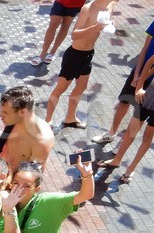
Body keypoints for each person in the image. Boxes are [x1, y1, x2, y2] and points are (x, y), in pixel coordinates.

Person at [44, 0, 118, 129]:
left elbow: (111, 12)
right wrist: (94, 28)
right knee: (60, 88)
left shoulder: (109, 6)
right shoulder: (87, 8)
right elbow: (74, 35)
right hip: (74, 54)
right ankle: (48, 121)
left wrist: (110, 24)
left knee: (81, 87)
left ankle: (70, 118)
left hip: (88, 54)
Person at [9, 159, 94, 233]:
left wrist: (87, 174)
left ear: (37, 189)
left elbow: (85, 195)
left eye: (27, 186)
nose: (19, 189)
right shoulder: (4, 201)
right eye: (16, 183)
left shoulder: (48, 203)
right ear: (10, 184)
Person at [90, 18, 154, 147]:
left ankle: (123, 143)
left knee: (139, 114)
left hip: (151, 82)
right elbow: (144, 49)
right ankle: (111, 133)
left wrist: (141, 79)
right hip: (139, 71)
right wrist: (136, 74)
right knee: (124, 101)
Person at [95, 52, 154, 184]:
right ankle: (117, 160)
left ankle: (130, 169)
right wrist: (139, 87)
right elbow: (149, 64)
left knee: (147, 137)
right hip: (148, 96)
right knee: (131, 131)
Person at [0, 86, 55, 171]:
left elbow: (33, 175)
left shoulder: (41, 140)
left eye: (5, 112)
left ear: (22, 112)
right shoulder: (13, 122)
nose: (0, 115)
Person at [30, 1, 87, 66]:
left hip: (76, 4)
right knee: (52, 25)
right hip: (60, 2)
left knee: (65, 26)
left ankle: (52, 52)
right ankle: (42, 55)